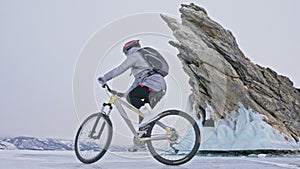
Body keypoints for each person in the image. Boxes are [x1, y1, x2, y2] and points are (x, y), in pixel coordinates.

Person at [98, 40, 167, 151]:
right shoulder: (142, 61)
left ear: (128, 50)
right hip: (159, 86)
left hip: (153, 84)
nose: (126, 55)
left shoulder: (135, 55)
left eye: (125, 53)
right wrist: (125, 94)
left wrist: (104, 78)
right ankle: (140, 143)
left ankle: (148, 120)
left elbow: (120, 69)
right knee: (143, 116)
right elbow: (137, 83)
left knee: (136, 102)